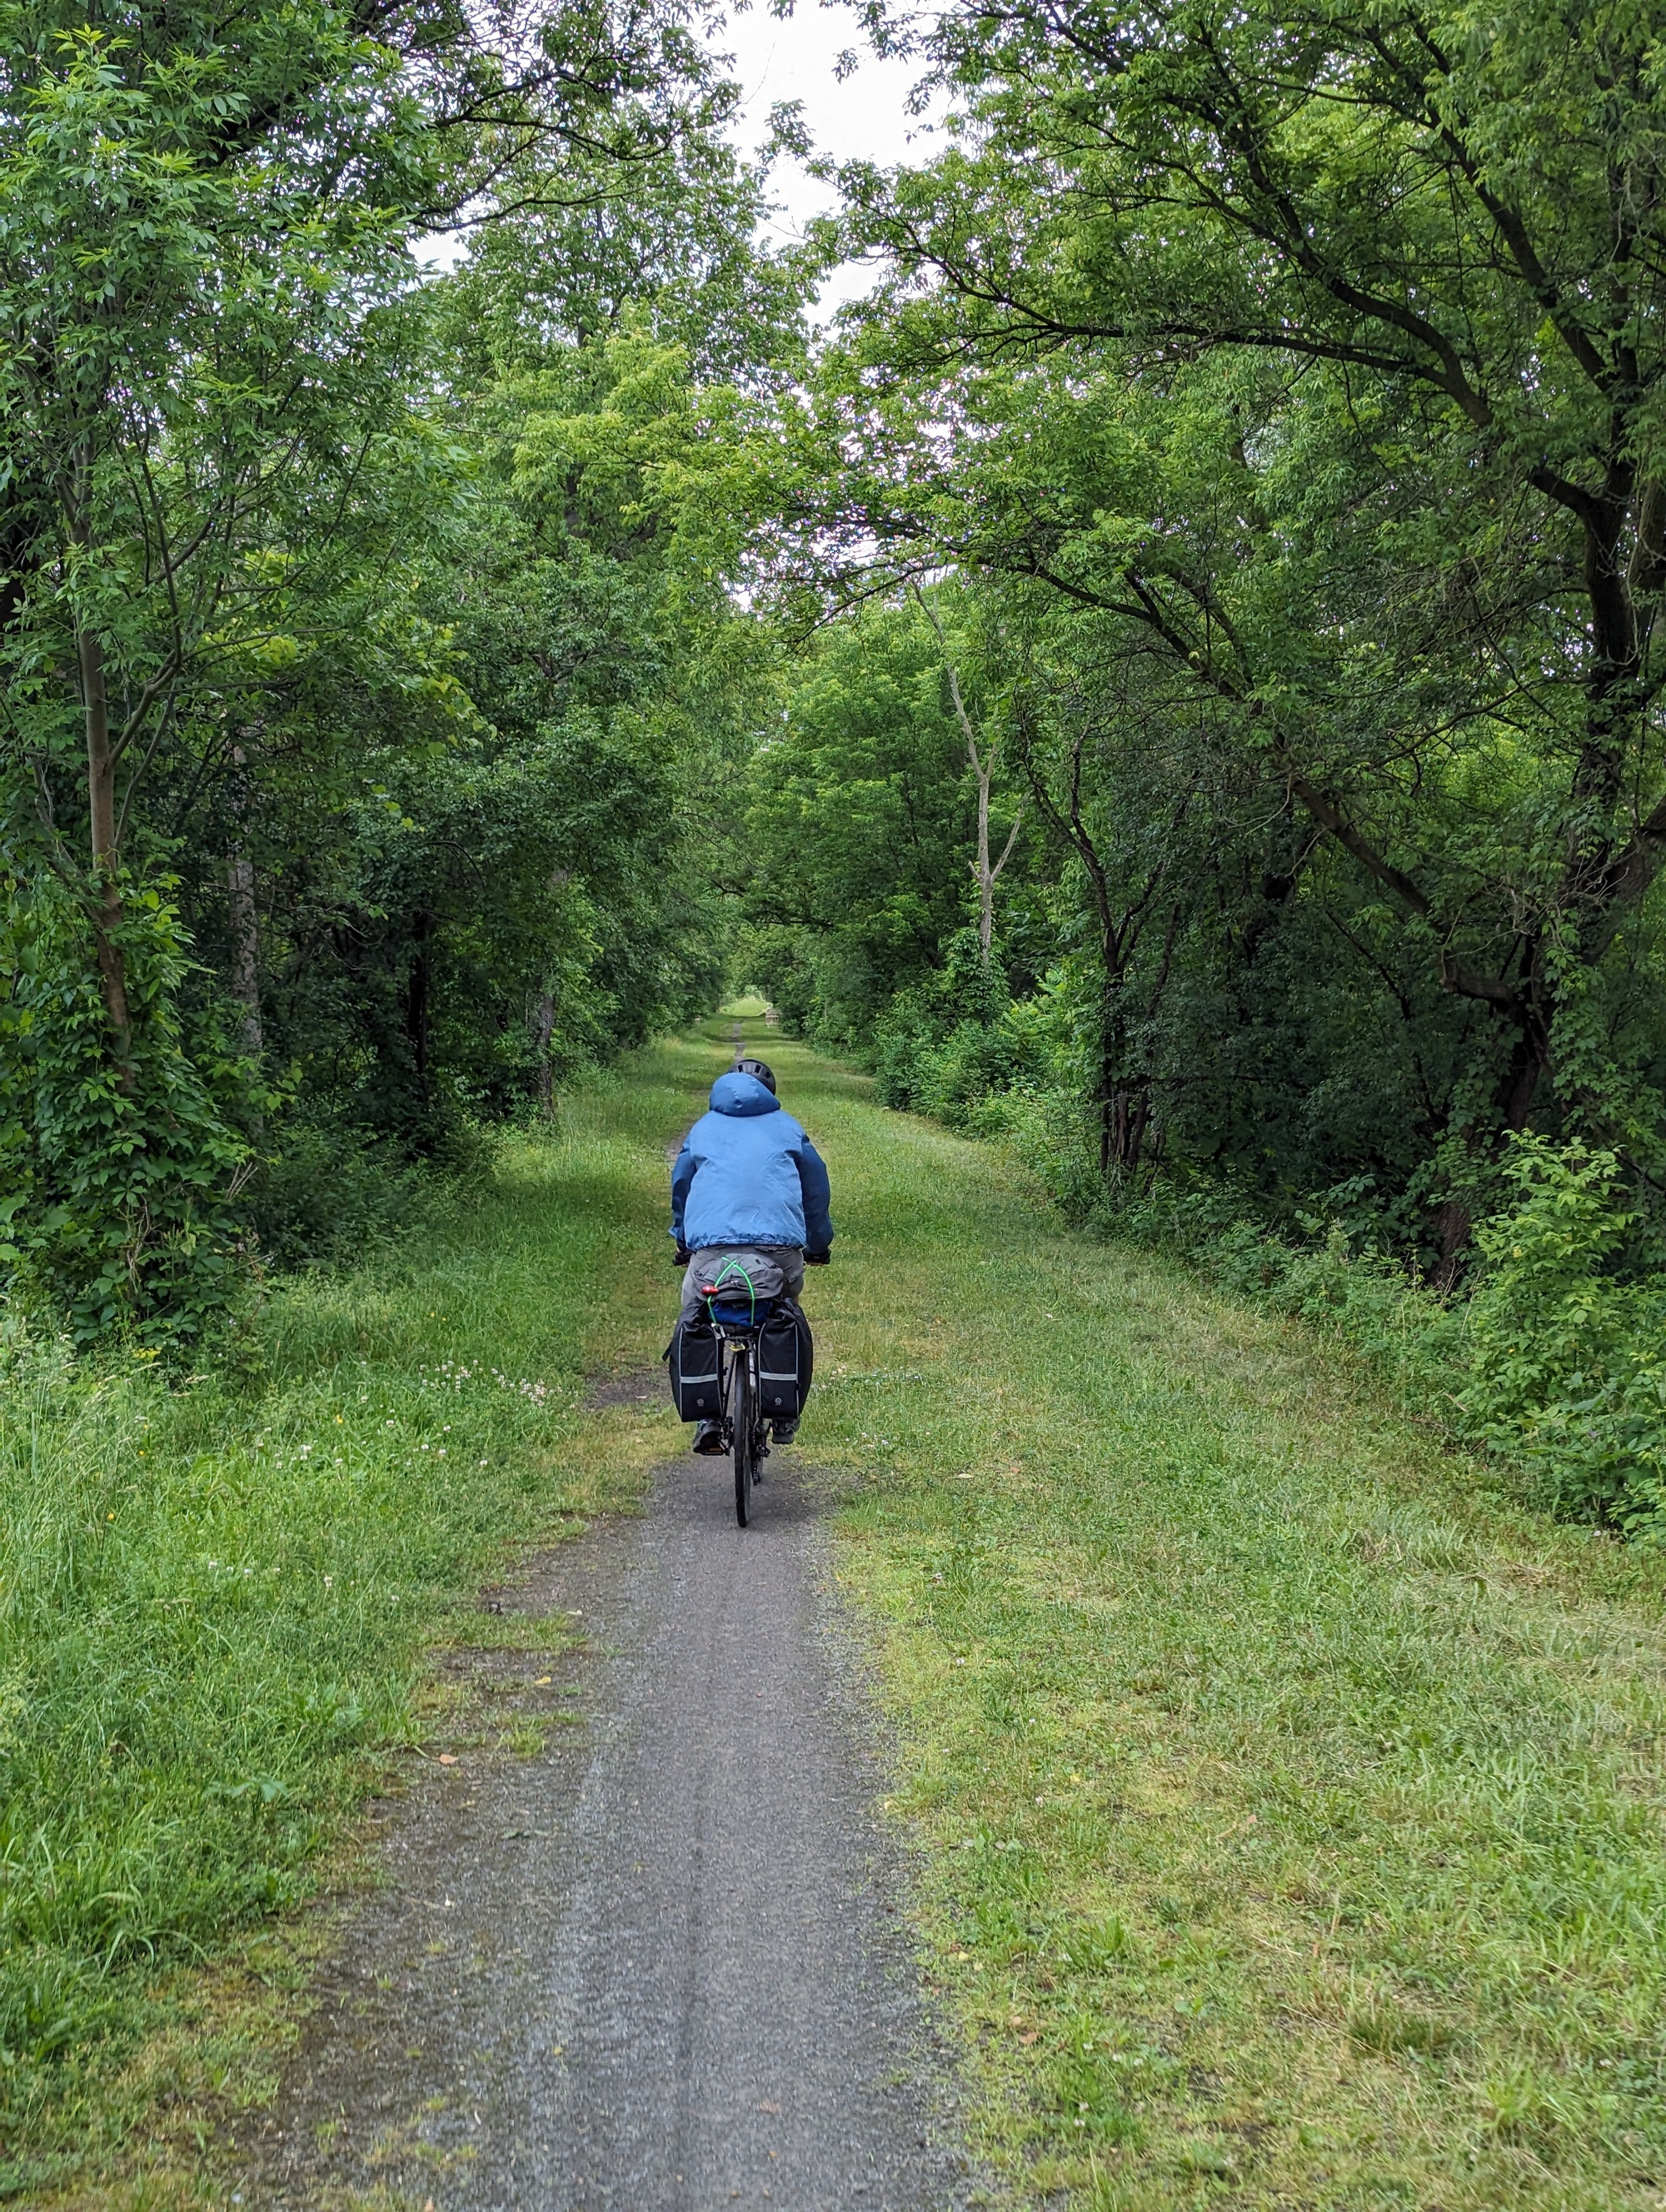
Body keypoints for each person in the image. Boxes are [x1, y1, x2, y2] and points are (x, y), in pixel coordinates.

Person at [671, 1056, 832, 1454]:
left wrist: (682, 1238)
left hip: (711, 1253)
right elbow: (816, 1189)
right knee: (786, 1308)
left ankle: (709, 1417)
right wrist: (818, 1245)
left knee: (694, 1310)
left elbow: (682, 1186)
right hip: (777, 1253)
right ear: (770, 1093)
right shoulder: (788, 1127)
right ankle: (783, 1413)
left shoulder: (704, 1128)